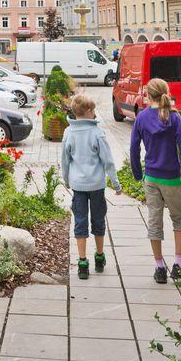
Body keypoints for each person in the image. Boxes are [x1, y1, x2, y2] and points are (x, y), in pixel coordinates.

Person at [130, 77, 181, 283]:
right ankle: (178, 264)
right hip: (172, 178)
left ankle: (159, 267)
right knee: (179, 219)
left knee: (154, 220)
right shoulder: (174, 117)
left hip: (151, 177)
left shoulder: (141, 118)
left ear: (148, 95)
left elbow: (134, 148)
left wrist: (136, 173)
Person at [61, 93, 122, 279]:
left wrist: (67, 180)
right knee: (98, 220)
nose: (95, 113)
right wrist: (115, 183)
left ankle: (82, 262)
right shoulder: (97, 133)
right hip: (96, 186)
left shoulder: (68, 133)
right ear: (88, 111)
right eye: (93, 110)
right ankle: (100, 255)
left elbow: (65, 160)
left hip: (78, 186)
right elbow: (108, 161)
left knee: (80, 222)